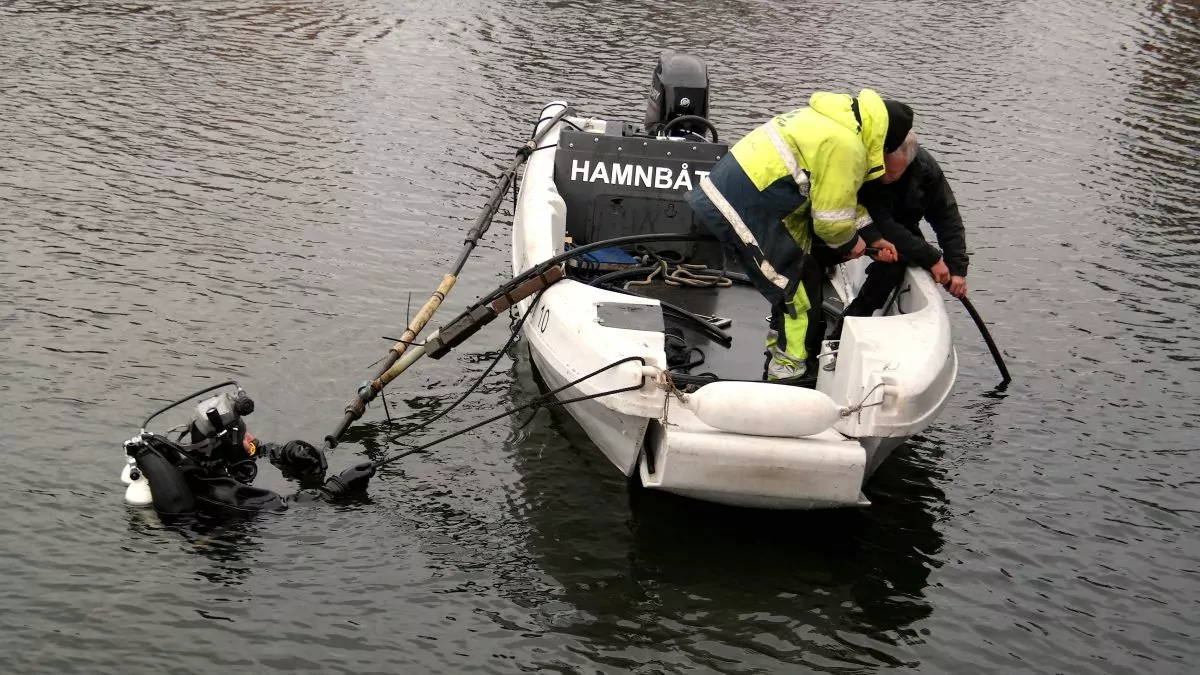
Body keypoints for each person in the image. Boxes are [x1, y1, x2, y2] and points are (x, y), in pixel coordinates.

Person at [684, 89, 913, 379]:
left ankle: (777, 357)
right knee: (797, 292)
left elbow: (835, 199)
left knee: (793, 283)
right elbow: (830, 223)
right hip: (752, 206)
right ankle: (789, 375)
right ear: (885, 142)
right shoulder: (847, 146)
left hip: (735, 192)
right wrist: (852, 243)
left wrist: (873, 235)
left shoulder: (833, 121)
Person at [835, 131, 969, 332]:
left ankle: (853, 320)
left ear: (909, 163)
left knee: (896, 265)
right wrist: (932, 258)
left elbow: (946, 217)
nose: (885, 177)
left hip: (900, 225)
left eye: (892, 174)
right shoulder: (868, 168)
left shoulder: (926, 171)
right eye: (883, 170)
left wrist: (956, 268)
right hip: (857, 220)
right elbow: (881, 221)